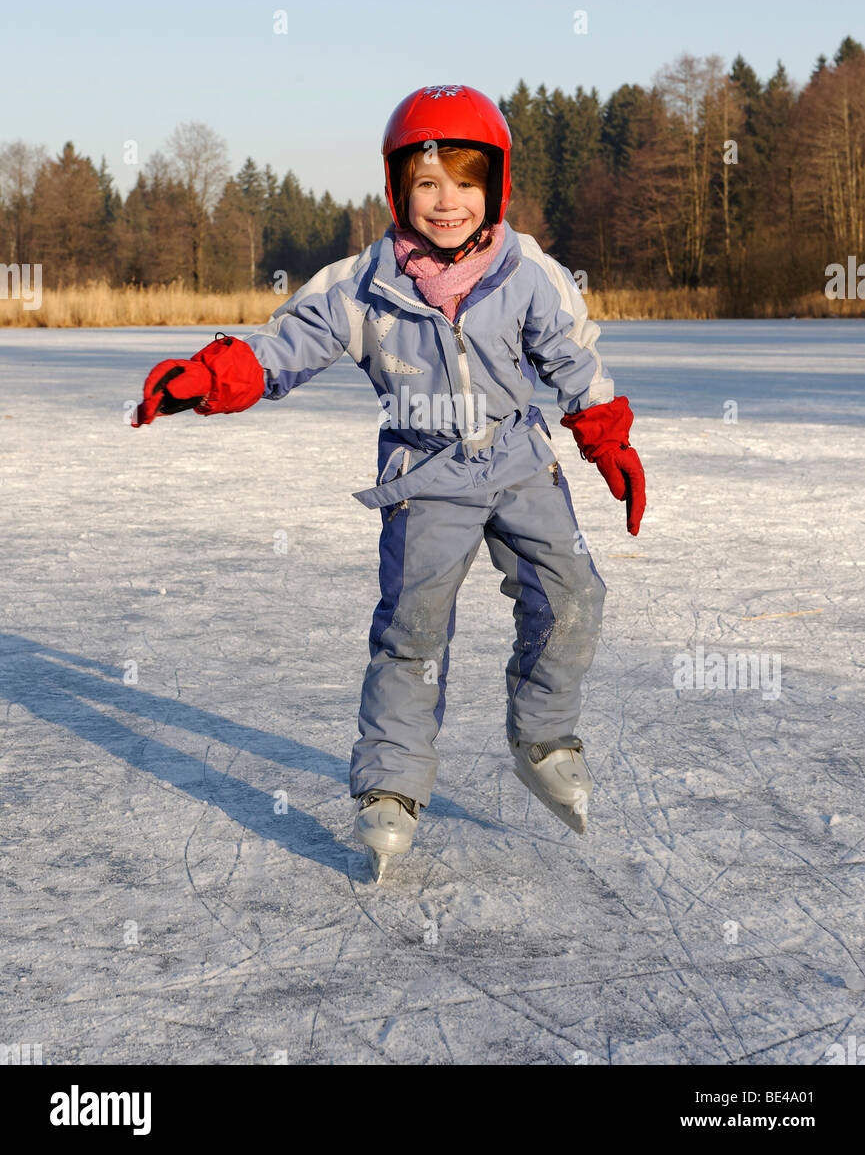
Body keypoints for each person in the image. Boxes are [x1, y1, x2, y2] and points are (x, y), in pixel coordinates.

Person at [132, 84, 646, 882]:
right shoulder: (360, 284)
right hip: (423, 472)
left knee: (576, 596)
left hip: (517, 460)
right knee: (412, 634)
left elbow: (570, 357)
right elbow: (283, 348)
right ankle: (392, 787)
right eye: (427, 183)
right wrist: (214, 375)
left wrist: (603, 432)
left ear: (495, 188)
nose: (447, 203)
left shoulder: (527, 269)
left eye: (466, 183)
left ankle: (542, 736)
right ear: (397, 188)